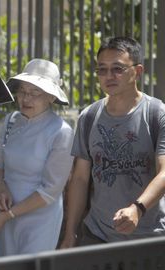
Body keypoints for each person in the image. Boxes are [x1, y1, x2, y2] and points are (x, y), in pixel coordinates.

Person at [59, 37, 165, 248]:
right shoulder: (89, 117)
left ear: (137, 71)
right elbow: (80, 179)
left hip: (149, 237)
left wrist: (137, 209)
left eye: (117, 68)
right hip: (98, 236)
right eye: (102, 69)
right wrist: (70, 232)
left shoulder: (156, 113)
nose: (109, 76)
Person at [0, 59, 74, 255]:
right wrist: (2, 190)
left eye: (35, 93)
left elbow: (51, 190)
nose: (26, 98)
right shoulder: (11, 121)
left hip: (40, 218)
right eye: (22, 91)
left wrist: (10, 214)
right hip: (6, 210)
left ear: (51, 97)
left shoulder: (61, 132)